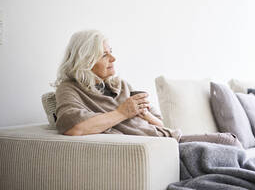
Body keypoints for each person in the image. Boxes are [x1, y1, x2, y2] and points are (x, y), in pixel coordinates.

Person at [54, 30, 241, 147]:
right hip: (154, 147)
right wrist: (122, 112)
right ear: (85, 60)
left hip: (169, 139)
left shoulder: (121, 85)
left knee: (231, 141)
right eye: (105, 54)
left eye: (111, 52)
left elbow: (162, 125)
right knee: (229, 142)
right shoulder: (69, 89)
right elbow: (72, 127)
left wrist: (143, 114)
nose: (113, 59)